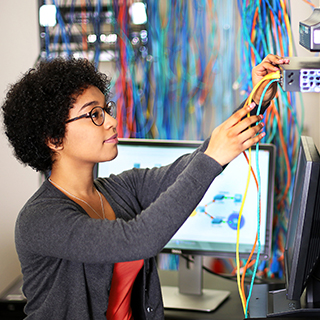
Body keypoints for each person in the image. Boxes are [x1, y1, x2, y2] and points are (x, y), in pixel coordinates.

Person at [1, 54, 288, 319]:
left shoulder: (121, 190)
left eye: (106, 109)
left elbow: (191, 166)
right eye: (94, 115)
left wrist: (257, 96)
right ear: (54, 138)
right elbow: (139, 240)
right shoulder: (39, 220)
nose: (112, 122)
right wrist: (214, 156)